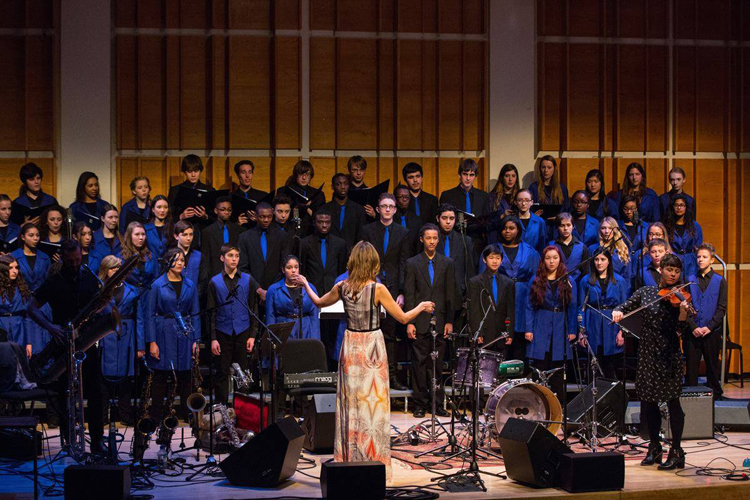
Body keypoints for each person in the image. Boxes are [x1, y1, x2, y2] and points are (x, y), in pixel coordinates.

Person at [292, 241, 435, 483]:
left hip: (350, 346)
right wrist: (421, 306)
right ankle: (373, 459)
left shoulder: (342, 286)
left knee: (352, 405)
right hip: (371, 347)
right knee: (373, 406)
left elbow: (317, 303)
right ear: (373, 262)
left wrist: (306, 283)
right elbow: (401, 318)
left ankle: (350, 458)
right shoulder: (377, 289)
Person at [28, 240, 107, 453]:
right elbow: (32, 308)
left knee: (95, 391)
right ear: (62, 258)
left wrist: (100, 309)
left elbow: (101, 304)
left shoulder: (89, 277)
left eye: (78, 260)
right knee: (65, 393)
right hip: (63, 342)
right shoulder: (53, 281)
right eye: (70, 261)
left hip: (87, 341)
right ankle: (69, 440)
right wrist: (52, 327)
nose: (74, 265)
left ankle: (98, 440)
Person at [613, 254, 690, 470]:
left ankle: (676, 451)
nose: (673, 274)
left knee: (673, 402)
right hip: (647, 355)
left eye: (676, 271)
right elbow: (625, 306)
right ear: (661, 270)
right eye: (669, 270)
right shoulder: (646, 292)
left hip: (669, 355)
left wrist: (683, 315)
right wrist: (618, 311)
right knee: (649, 402)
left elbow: (680, 330)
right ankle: (654, 447)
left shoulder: (681, 297)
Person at [144, 247, 201, 423]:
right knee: (161, 375)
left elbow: (195, 313)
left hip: (185, 331)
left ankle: (187, 414)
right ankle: (155, 416)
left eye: (182, 260)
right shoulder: (157, 285)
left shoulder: (190, 284)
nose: (180, 263)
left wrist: (196, 340)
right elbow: (150, 315)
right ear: (168, 262)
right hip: (164, 331)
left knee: (185, 375)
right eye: (176, 260)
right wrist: (152, 341)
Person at [361, 193, 412, 389]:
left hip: (392, 289)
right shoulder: (367, 230)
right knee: (369, 333)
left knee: (390, 336)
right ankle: (368, 377)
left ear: (395, 209)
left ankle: (390, 377)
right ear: (378, 209)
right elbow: (364, 258)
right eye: (384, 206)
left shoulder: (403, 232)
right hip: (370, 286)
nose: (388, 209)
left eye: (391, 206)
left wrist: (401, 291)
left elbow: (403, 263)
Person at [404, 224, 456, 418]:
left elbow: (450, 294)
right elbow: (410, 293)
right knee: (419, 362)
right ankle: (419, 403)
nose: (432, 241)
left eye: (435, 238)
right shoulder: (412, 263)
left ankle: (436, 403)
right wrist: (410, 321)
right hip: (419, 320)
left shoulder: (447, 263)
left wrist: (449, 320)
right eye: (428, 238)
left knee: (437, 363)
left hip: (440, 320)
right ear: (421, 239)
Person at [207, 244, 260, 406]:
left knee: (242, 372)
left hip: (242, 331)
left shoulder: (248, 280)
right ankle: (221, 408)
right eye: (230, 256)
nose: (234, 259)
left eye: (236, 256)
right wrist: (213, 338)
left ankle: (241, 408)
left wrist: (252, 335)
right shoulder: (214, 282)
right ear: (222, 258)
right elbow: (211, 313)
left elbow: (253, 309)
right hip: (223, 331)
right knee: (222, 372)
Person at [524, 246, 577, 398]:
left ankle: (558, 409)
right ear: (543, 260)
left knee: (558, 370)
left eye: (555, 257)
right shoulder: (536, 280)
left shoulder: (568, 280)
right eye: (548, 258)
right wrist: (529, 329)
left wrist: (573, 330)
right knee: (539, 366)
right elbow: (529, 306)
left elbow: (573, 307)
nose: (551, 261)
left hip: (560, 326)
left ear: (560, 260)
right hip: (541, 323)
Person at [98, 255, 144, 426]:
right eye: (112, 268)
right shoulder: (100, 289)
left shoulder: (132, 290)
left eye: (118, 268)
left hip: (127, 332)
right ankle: (102, 416)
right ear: (105, 270)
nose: (116, 271)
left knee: (126, 377)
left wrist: (140, 345)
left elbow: (139, 319)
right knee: (103, 378)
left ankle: (125, 414)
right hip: (105, 333)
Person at [299, 208, 348, 365]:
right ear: (314, 223)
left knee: (334, 332)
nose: (324, 225)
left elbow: (342, 270)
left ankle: (333, 367)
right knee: (316, 332)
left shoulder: (340, 243)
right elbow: (303, 270)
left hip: (334, 295)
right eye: (320, 222)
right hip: (314, 295)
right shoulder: (304, 243)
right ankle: (318, 365)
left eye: (327, 222)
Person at [489, 216, 540, 361]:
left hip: (524, 295)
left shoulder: (530, 251)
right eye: (504, 228)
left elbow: (537, 277)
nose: (507, 231)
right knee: (501, 332)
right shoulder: (493, 249)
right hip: (500, 293)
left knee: (520, 334)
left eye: (511, 228)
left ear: (518, 230)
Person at [578, 249, 629, 380]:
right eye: (596, 259)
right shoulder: (586, 281)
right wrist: (581, 331)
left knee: (611, 365)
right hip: (592, 323)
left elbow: (625, 307)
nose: (599, 263)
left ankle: (612, 398)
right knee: (593, 366)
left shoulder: (619, 281)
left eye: (603, 259)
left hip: (612, 324)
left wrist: (621, 331)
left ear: (609, 261)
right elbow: (581, 308)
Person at [685, 243, 726, 399]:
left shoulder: (720, 281)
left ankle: (715, 398)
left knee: (711, 367)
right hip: (693, 331)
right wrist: (693, 326)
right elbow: (686, 307)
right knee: (691, 369)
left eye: (704, 257)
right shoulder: (690, 280)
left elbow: (721, 308)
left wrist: (709, 327)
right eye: (699, 257)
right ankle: (691, 397)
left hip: (711, 332)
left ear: (712, 260)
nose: (700, 260)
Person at [237, 201, 291, 306]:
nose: (266, 220)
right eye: (262, 217)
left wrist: (271, 289)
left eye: (269, 217)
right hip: (252, 292)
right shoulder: (245, 237)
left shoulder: (282, 236)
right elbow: (242, 267)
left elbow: (284, 266)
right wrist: (259, 289)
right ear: (256, 216)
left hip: (277, 291)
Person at [467, 244, 514, 354]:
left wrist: (510, 333)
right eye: (491, 258)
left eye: (498, 258)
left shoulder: (508, 282)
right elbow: (474, 309)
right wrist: (477, 332)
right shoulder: (475, 282)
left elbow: (510, 310)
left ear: (501, 260)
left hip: (501, 334)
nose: (495, 261)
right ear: (484, 259)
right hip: (484, 333)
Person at [439, 158, 490, 255]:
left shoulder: (483, 196)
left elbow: (487, 221)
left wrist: (476, 222)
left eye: (471, 175)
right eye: (465, 174)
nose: (468, 178)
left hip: (476, 242)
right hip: (454, 240)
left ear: (475, 176)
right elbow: (443, 220)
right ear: (459, 175)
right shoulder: (447, 195)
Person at [265, 255, 320, 340]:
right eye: (289, 268)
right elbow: (270, 317)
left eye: (296, 267)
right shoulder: (273, 290)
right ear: (283, 270)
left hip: (305, 331)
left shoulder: (310, 288)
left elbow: (314, 317)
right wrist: (272, 339)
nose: (293, 270)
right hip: (283, 333)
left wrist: (316, 339)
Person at [198, 196, 245, 294]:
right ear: (216, 211)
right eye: (223, 209)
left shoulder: (239, 230)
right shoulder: (207, 232)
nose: (226, 212)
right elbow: (206, 258)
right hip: (215, 275)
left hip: (236, 276)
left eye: (229, 210)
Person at [435, 203, 475, 306]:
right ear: (437, 218)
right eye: (444, 218)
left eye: (451, 218)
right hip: (435, 291)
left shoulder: (465, 240)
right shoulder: (430, 239)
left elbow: (469, 269)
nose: (448, 222)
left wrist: (469, 294)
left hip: (458, 294)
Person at [277, 160, 326, 237]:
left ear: (311, 176)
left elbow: (321, 218)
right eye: (301, 174)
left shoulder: (318, 194)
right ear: (296, 175)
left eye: (307, 174)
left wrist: (306, 208)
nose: (304, 177)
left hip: (310, 233)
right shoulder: (284, 191)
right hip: (288, 232)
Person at [167, 154, 214, 231]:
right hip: (182, 231)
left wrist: (205, 216)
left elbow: (215, 217)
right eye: (189, 171)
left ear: (200, 171)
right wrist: (181, 216)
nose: (193, 175)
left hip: (203, 231)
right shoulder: (175, 190)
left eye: (196, 171)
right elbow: (169, 216)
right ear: (184, 172)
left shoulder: (210, 190)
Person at [323, 173, 367, 251]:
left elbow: (361, 236)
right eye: (338, 184)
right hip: (329, 253)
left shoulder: (358, 209)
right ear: (332, 187)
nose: (343, 187)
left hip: (351, 255)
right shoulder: (325, 209)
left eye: (345, 184)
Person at [664, 193, 703, 279]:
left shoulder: (695, 226)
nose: (679, 208)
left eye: (682, 205)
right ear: (672, 207)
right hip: (673, 260)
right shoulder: (667, 226)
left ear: (686, 207)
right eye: (676, 205)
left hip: (691, 262)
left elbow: (698, 246)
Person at [0, 255, 32, 358]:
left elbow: (27, 317)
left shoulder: (21, 288)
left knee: (20, 363)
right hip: (2, 328)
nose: (15, 271)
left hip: (19, 329)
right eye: (10, 268)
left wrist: (29, 342)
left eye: (16, 267)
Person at [589, 217, 632, 293]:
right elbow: (589, 272)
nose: (606, 231)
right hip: (597, 290)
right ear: (599, 230)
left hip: (617, 289)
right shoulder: (593, 249)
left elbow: (627, 276)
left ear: (615, 230)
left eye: (610, 228)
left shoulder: (622, 250)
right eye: (603, 228)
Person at [549, 212, 590, 283]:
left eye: (568, 225)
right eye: (562, 225)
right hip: (557, 286)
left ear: (573, 226)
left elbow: (585, 272)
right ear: (557, 227)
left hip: (576, 287)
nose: (565, 228)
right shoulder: (551, 245)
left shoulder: (582, 247)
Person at [121, 222, 160, 289]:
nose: (141, 238)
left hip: (148, 294)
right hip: (130, 295)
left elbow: (156, 278)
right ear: (129, 236)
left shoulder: (151, 256)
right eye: (137, 234)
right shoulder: (121, 257)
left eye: (143, 234)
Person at [509, 189, 547, 253]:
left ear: (531, 202)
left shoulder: (539, 222)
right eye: (520, 200)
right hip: (515, 258)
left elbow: (542, 244)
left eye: (527, 200)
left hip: (534, 258)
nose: (523, 203)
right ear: (515, 202)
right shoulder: (510, 220)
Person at [402, 162, 438, 226]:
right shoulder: (401, 200)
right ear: (405, 180)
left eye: (418, 176)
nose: (415, 180)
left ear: (422, 178)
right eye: (411, 177)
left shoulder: (432, 200)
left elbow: (435, 224)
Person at [88, 204, 121, 273]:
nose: (114, 220)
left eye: (116, 217)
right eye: (110, 217)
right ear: (103, 218)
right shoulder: (94, 237)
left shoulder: (121, 238)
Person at [393, 184, 422, 256]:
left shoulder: (416, 220)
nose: (405, 199)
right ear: (395, 199)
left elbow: (419, 246)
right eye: (401, 197)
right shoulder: (390, 219)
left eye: (407, 197)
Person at [171, 221, 201, 287]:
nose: (188, 238)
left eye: (191, 234)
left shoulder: (199, 256)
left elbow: (202, 281)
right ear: (176, 236)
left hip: (194, 295)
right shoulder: (170, 256)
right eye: (184, 235)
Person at [347, 156, 376, 220]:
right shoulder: (344, 192)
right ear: (349, 170)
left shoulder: (370, 192)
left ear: (365, 171)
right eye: (355, 170)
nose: (358, 173)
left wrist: (374, 214)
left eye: (361, 170)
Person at [145, 195, 172, 261]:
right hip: (151, 266)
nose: (162, 210)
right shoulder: (145, 228)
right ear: (153, 209)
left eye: (165, 207)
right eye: (159, 207)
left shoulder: (173, 228)